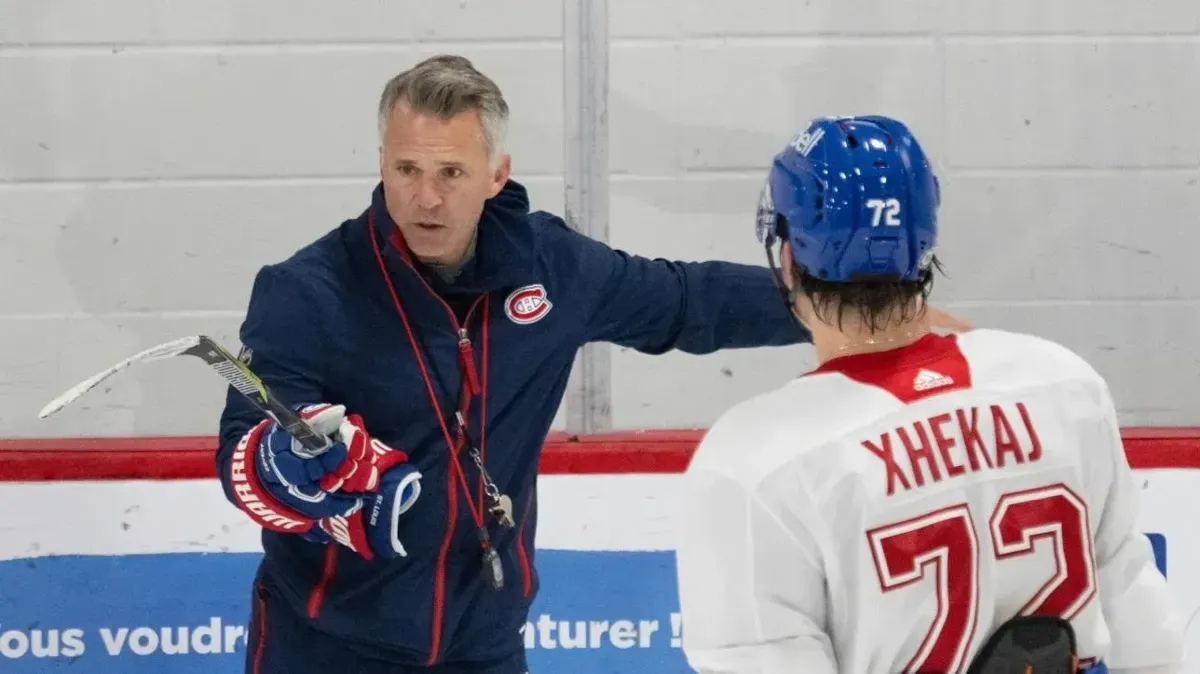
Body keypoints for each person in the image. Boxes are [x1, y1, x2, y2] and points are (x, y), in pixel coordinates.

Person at [673, 115, 1186, 673]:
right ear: (924, 244)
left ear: (789, 258)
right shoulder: (1060, 383)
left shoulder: (756, 462)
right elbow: (1143, 622)